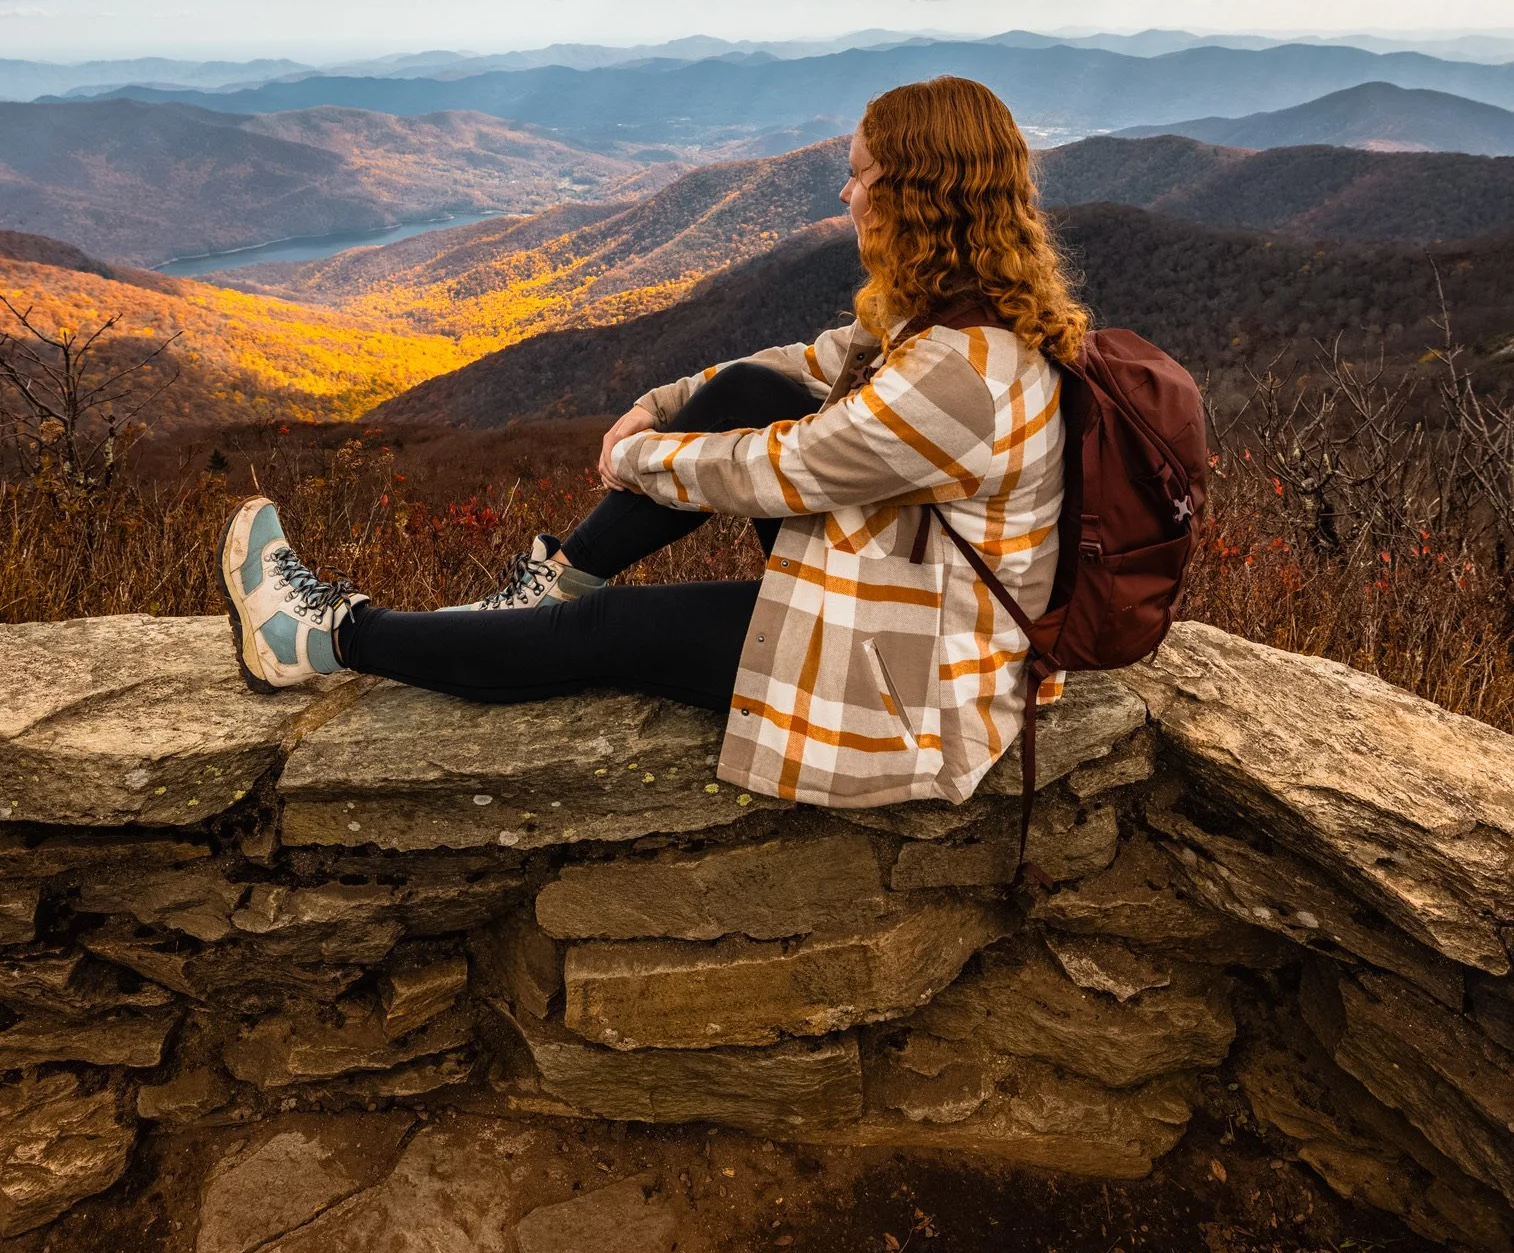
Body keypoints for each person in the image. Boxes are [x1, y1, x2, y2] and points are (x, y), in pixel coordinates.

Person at [219, 75, 1088, 810]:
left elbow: (783, 468)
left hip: (914, 681)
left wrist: (636, 458)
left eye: (859, 177)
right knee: (750, 390)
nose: (845, 194)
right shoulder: (960, 321)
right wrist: (662, 402)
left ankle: (328, 635)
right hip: (903, 594)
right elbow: (802, 364)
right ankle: (551, 584)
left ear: (914, 196)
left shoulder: (959, 376)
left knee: (603, 630)